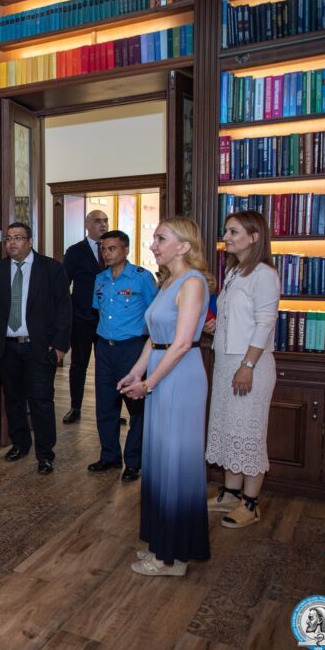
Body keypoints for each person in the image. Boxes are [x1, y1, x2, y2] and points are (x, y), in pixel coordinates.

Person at [119, 216, 213, 577]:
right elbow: (156, 338)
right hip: (163, 372)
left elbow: (182, 343)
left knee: (175, 465)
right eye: (155, 239)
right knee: (160, 462)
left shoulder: (193, 282)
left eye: (161, 239)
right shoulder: (168, 282)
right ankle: (164, 543)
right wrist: (136, 372)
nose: (153, 245)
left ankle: (170, 557)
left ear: (184, 246)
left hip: (180, 376)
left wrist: (149, 384)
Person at [204, 210, 280, 529]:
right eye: (226, 230)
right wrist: (216, 327)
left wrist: (247, 366)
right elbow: (238, 318)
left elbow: (265, 323)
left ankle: (250, 503)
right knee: (229, 430)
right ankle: (231, 494)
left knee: (248, 432)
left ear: (254, 237)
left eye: (233, 231)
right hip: (226, 362)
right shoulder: (235, 271)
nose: (226, 237)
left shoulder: (264, 274)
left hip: (250, 364)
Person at [0, 222, 71, 475]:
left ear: (30, 241)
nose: (12, 243)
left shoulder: (51, 269)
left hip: (39, 347)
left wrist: (60, 344)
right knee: (13, 399)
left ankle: (45, 454)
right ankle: (20, 444)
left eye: (18, 238)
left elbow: (64, 309)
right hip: (6, 348)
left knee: (41, 401)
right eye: (8, 238)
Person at [87, 230, 158, 483]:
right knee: (105, 404)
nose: (106, 254)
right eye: (103, 249)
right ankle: (110, 456)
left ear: (125, 250)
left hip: (133, 348)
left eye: (112, 248)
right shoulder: (100, 279)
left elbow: (155, 313)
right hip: (104, 348)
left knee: (136, 407)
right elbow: (98, 310)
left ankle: (134, 462)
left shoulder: (142, 277)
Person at [62, 210, 109, 424]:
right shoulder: (75, 251)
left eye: (105, 221)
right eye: (98, 221)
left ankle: (109, 409)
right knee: (79, 365)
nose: (103, 225)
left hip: (107, 319)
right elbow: (64, 284)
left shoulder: (112, 249)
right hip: (81, 318)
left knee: (106, 366)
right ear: (87, 225)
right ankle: (76, 407)